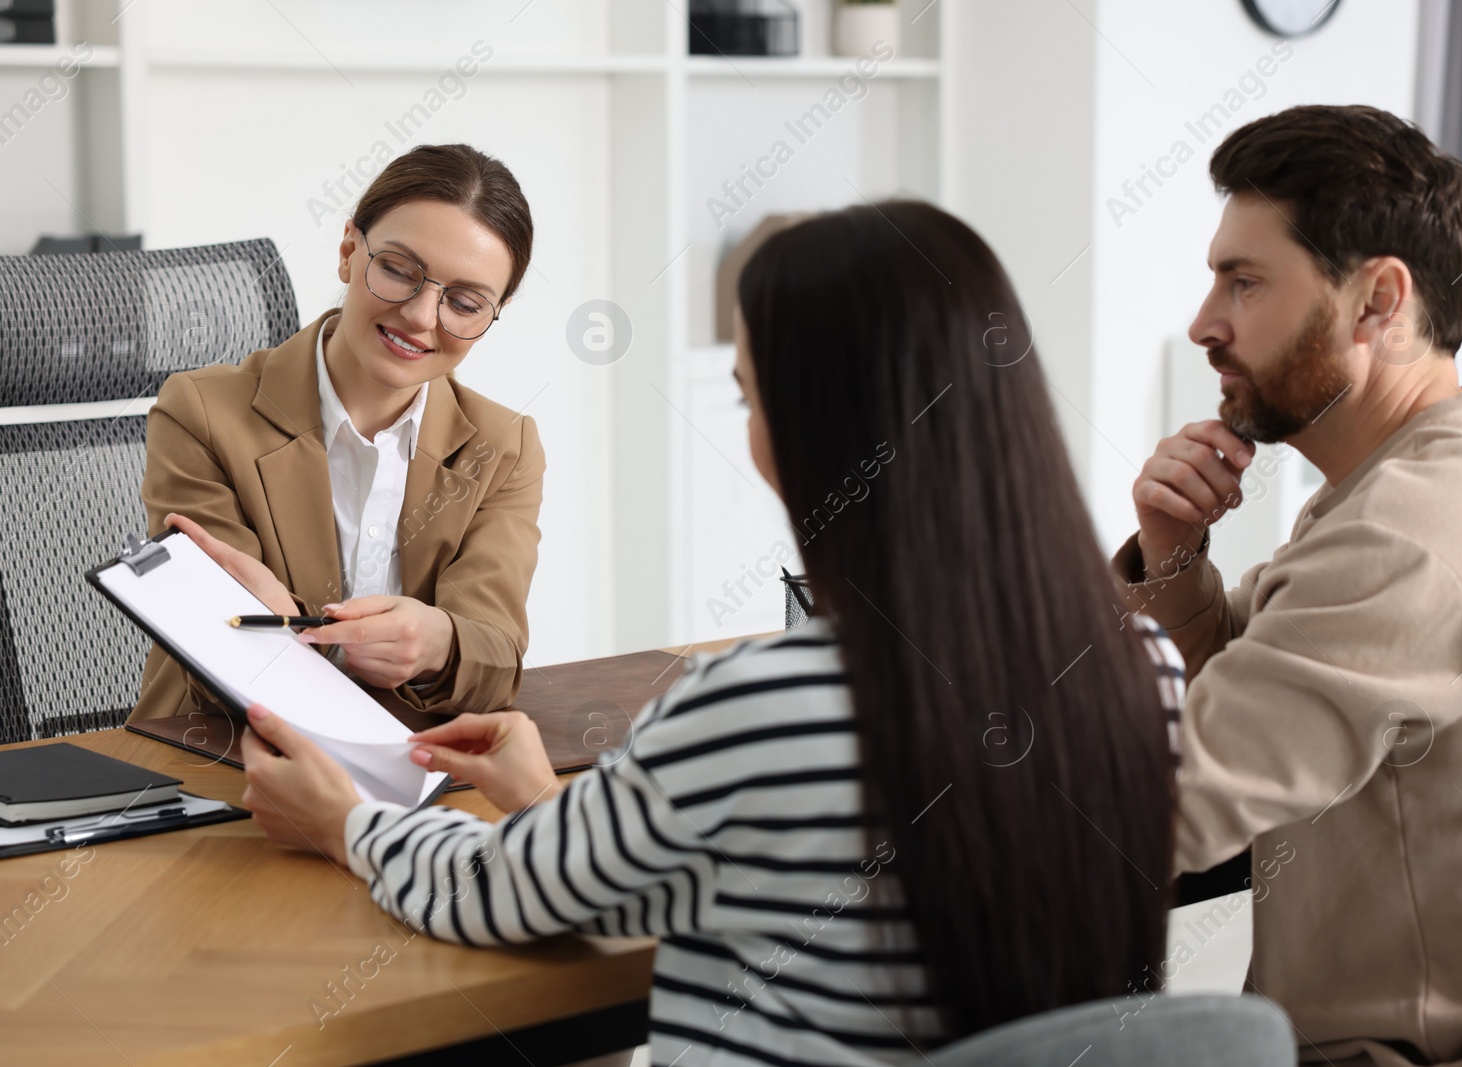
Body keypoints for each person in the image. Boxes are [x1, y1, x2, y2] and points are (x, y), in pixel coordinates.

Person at [220, 201, 1185, 1065]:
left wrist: (345, 822)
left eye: (749, 396)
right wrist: (543, 802)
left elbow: (502, 895)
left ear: (816, 429)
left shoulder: (769, 701)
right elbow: (752, 883)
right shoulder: (1145, 671)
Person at [1117, 104, 1462, 1066]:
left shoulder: (1413, 535)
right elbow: (1253, 679)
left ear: (1378, 300)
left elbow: (1159, 806)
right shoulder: (1451, 464)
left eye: (1244, 282)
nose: (1204, 324)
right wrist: (1173, 557)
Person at [130, 143, 545, 722]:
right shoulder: (200, 413)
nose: (423, 317)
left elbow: (497, 658)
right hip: (219, 757)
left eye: (465, 302)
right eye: (399, 270)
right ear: (350, 251)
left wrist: (441, 643)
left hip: (407, 763)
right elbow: (221, 652)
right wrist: (257, 628)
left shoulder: (503, 448)